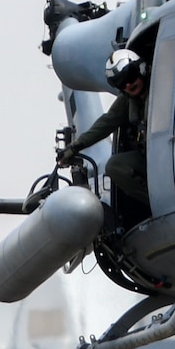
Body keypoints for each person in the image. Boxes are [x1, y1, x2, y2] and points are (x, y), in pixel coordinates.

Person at [60, 50, 149, 222]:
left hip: (170, 152)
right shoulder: (128, 100)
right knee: (116, 166)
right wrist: (76, 146)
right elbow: (107, 122)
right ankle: (156, 202)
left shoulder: (163, 84)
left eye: (130, 77)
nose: (129, 85)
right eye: (122, 84)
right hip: (151, 158)